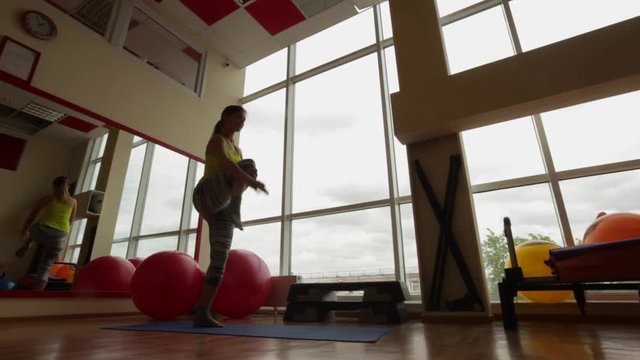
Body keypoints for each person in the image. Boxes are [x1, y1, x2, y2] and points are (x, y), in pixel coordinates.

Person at [192, 105, 267, 327]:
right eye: (238, 117)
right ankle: (236, 205)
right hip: (206, 194)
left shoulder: (238, 148)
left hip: (221, 208)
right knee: (247, 167)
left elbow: (238, 177)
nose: (241, 122)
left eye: (243, 119)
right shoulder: (217, 141)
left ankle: (202, 312)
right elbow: (227, 166)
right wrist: (252, 181)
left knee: (219, 263)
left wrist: (247, 180)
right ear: (225, 117)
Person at [15, 176, 77, 290]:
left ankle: (27, 244)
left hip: (42, 231)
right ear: (68, 187)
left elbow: (31, 216)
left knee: (34, 228)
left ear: (54, 186)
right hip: (60, 236)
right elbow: (70, 221)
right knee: (46, 264)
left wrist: (25, 231)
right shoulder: (73, 202)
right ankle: (39, 289)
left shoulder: (46, 199)